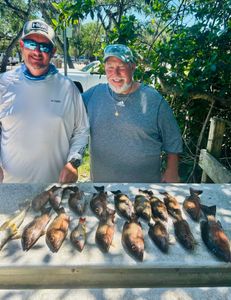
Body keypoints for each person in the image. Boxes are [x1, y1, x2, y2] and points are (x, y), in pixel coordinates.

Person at [0, 19, 89, 183]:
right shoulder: (3, 83)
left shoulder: (68, 88)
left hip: (53, 190)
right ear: (21, 46)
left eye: (45, 47)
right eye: (31, 44)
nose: (37, 52)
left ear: (53, 51)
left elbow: (81, 130)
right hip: (8, 187)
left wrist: (73, 162)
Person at [83, 44, 182, 183]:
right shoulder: (92, 96)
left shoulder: (153, 99)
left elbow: (173, 137)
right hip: (103, 190)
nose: (115, 74)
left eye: (121, 67)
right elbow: (67, 118)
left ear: (133, 66)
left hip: (144, 191)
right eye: (110, 67)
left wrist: (172, 170)